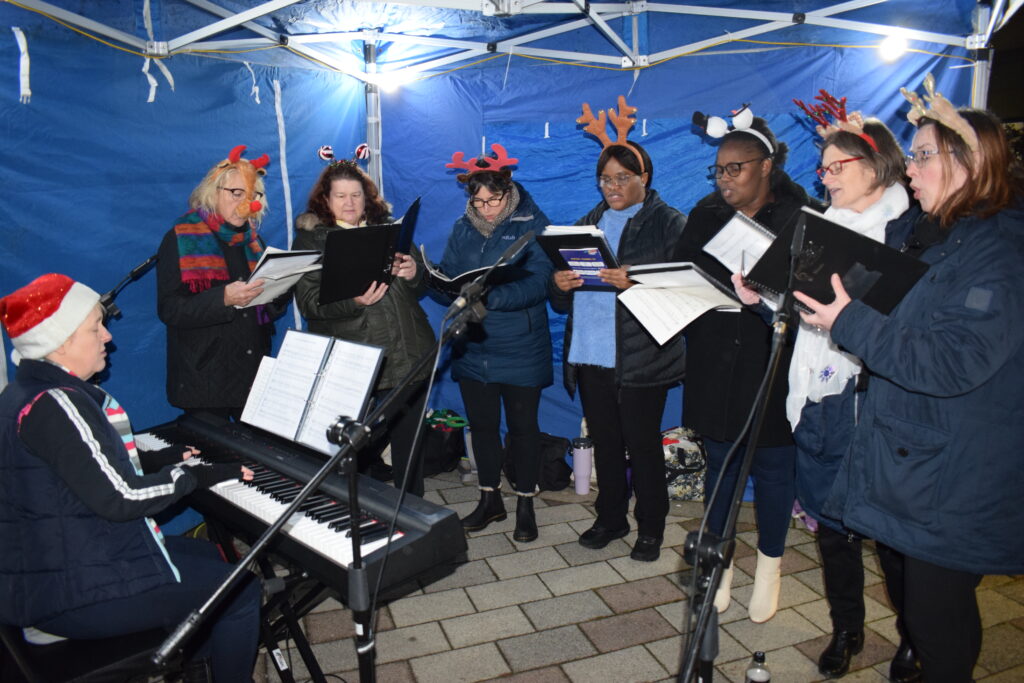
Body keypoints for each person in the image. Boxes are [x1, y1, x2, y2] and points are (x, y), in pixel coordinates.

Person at [793, 95, 1024, 680]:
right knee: (926, 610)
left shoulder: (998, 251)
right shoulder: (941, 235)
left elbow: (951, 361)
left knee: (938, 621)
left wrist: (848, 321)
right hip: (921, 461)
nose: (910, 170)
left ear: (970, 163)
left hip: (955, 472)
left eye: (923, 156)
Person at [0, 273, 260, 682]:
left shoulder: (26, 393)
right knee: (240, 591)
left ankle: (197, 668)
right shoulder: (58, 404)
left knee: (210, 556)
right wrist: (192, 475)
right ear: (61, 342)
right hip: (71, 594)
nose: (107, 336)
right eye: (95, 328)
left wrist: (164, 459)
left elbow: (87, 467)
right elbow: (120, 497)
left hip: (58, 562)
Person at [674, 112, 820, 621]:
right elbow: (684, 273)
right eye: (718, 169)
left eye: (735, 168)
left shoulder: (804, 217)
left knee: (776, 471)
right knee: (721, 467)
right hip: (716, 360)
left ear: (766, 166)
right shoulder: (704, 215)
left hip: (775, 361)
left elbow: (814, 297)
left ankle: (770, 569)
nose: (724, 178)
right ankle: (720, 566)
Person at [552, 99, 686, 562]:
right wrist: (559, 285)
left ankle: (651, 527)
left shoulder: (669, 222)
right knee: (606, 444)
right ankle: (611, 517)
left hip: (642, 358)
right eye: (606, 179)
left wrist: (637, 282)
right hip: (591, 354)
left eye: (623, 178)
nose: (613, 187)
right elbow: (560, 296)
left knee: (642, 447)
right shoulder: (587, 224)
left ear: (644, 177)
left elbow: (687, 288)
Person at [292, 154, 436, 496]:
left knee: (410, 446)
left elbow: (422, 287)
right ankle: (353, 509)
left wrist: (414, 272)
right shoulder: (310, 241)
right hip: (355, 359)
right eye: (340, 195)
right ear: (325, 200)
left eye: (356, 195)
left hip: (409, 351)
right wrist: (353, 301)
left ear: (367, 197)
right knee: (353, 447)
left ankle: (412, 512)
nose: (349, 203)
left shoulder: (390, 231)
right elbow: (309, 303)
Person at [438, 143, 553, 543]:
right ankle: (490, 499)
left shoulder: (533, 225)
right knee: (483, 426)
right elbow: (451, 274)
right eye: (479, 201)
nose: (486, 209)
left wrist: (491, 297)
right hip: (474, 345)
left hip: (521, 345)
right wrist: (429, 277)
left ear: (508, 191)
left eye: (494, 200)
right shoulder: (461, 228)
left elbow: (540, 283)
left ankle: (525, 503)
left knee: (523, 429)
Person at [157, 145, 285, 419]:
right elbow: (170, 309)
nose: (245, 202)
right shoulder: (181, 238)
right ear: (213, 192)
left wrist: (280, 290)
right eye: (236, 193)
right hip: (204, 381)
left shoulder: (255, 242)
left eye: (252, 195)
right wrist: (222, 299)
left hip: (251, 376)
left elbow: (266, 312)